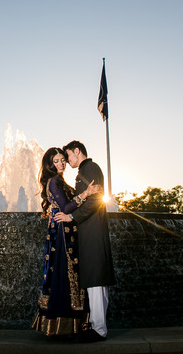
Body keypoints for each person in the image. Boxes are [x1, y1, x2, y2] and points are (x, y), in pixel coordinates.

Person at [32, 147, 100, 337]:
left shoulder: (59, 180)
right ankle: (64, 325)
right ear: (49, 164)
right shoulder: (54, 181)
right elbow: (66, 206)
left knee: (69, 274)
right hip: (62, 233)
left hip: (66, 231)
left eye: (63, 159)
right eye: (56, 161)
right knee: (65, 274)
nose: (61, 164)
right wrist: (86, 193)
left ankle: (73, 325)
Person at [54, 140, 115, 342]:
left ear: (77, 151)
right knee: (97, 279)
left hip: (92, 231)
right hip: (93, 230)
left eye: (68, 155)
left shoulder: (89, 168)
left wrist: (72, 217)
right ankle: (99, 325)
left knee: (95, 279)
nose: (67, 160)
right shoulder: (89, 168)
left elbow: (96, 201)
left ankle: (98, 329)